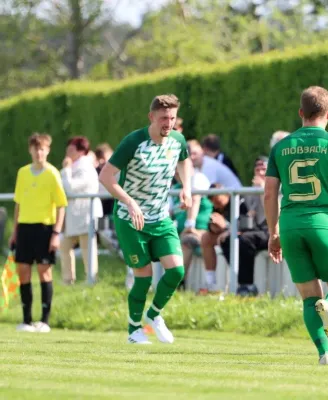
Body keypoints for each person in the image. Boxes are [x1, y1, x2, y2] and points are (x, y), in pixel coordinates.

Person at [264, 86, 328, 365]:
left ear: (301, 113)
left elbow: (269, 194)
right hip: (323, 224)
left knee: (309, 297)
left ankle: (325, 353)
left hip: (289, 226)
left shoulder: (280, 147)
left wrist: (273, 233)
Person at [99, 94, 192, 345]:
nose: (168, 123)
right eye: (163, 118)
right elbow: (106, 177)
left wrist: (186, 188)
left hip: (161, 218)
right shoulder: (133, 142)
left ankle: (154, 315)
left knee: (176, 270)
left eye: (172, 118)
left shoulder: (178, 140)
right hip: (131, 220)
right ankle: (133, 330)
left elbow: (185, 161)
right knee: (144, 276)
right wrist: (129, 203)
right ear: (151, 117)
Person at [10, 133, 68, 333]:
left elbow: (61, 205)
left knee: (45, 271)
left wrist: (56, 233)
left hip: (45, 229)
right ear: (30, 150)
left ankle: (44, 320)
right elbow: (18, 204)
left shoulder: (52, 173)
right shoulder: (22, 173)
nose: (39, 152)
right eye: (36, 149)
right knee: (23, 272)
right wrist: (14, 232)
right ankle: (26, 320)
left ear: (48, 150)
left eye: (42, 149)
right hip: (25, 228)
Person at [60, 136, 103, 285]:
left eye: (71, 149)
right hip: (75, 215)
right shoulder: (75, 165)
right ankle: (68, 279)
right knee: (64, 246)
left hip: (86, 213)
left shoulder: (85, 166)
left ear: (80, 151)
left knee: (87, 248)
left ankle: (91, 279)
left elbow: (70, 187)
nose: (67, 151)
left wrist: (65, 169)